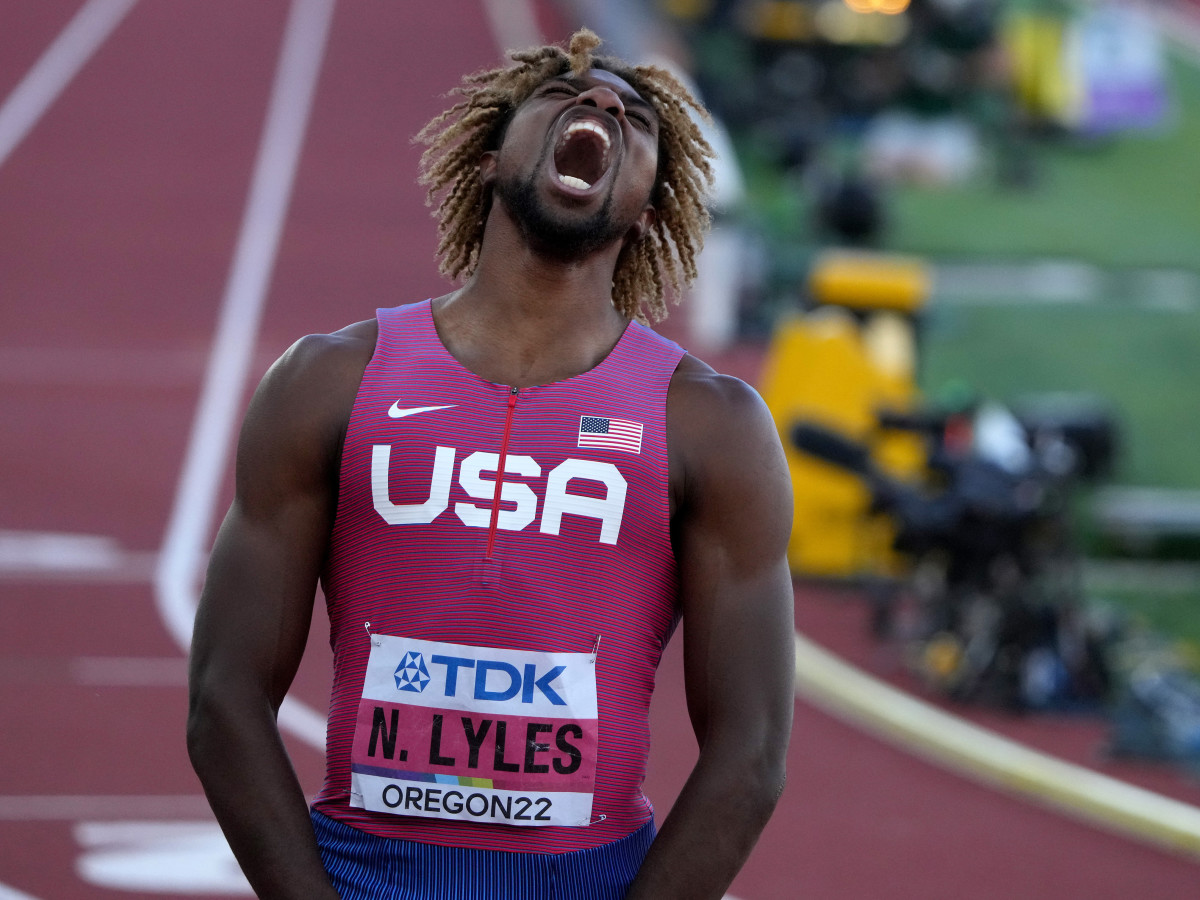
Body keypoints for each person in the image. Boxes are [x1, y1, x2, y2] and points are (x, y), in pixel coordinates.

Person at [187, 29, 795, 899]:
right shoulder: (330, 381)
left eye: (637, 120)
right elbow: (222, 696)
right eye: (561, 95)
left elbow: (753, 750)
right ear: (488, 157)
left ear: (651, 210)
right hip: (357, 877)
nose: (602, 104)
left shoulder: (712, 427)